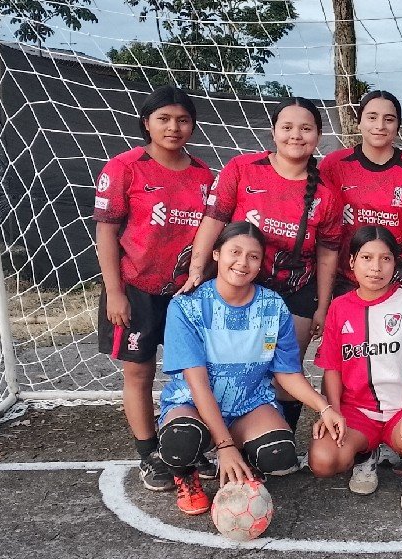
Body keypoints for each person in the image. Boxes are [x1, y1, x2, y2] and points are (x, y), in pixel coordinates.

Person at [158, 221, 345, 515]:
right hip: (193, 403)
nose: (242, 262)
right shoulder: (187, 306)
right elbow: (198, 384)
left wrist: (324, 408)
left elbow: (286, 372)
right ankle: (187, 474)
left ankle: (242, 458)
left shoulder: (273, 306)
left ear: (260, 265)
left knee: (278, 455)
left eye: (253, 256)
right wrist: (223, 446)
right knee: (181, 439)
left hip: (248, 404)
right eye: (235, 252)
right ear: (217, 254)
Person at [178, 97, 343, 431]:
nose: (296, 135)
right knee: (228, 364)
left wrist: (322, 307)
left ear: (319, 135)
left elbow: (328, 255)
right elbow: (213, 220)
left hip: (295, 291)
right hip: (241, 285)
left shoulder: (328, 194)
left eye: (306, 128)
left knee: (286, 368)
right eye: (287, 127)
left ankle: (278, 440)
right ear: (273, 132)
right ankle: (218, 433)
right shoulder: (242, 169)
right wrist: (197, 269)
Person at [92, 85, 214, 493]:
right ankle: (150, 454)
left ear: (193, 125)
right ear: (147, 123)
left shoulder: (204, 176)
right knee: (139, 371)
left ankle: (194, 445)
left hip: (188, 294)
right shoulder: (124, 167)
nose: (173, 127)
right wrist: (115, 292)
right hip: (136, 289)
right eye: (163, 119)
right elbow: (106, 232)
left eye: (182, 120)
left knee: (196, 373)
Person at [308, 226, 402, 512]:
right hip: (358, 411)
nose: (375, 268)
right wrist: (333, 411)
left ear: (395, 263)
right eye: (367, 258)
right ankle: (364, 455)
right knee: (323, 460)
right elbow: (332, 367)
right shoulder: (339, 307)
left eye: (385, 259)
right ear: (352, 262)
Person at [318, 91, 402, 293]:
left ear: (397, 126)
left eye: (389, 119)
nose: (380, 126)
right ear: (359, 122)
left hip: (397, 280)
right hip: (344, 280)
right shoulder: (334, 165)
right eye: (372, 117)